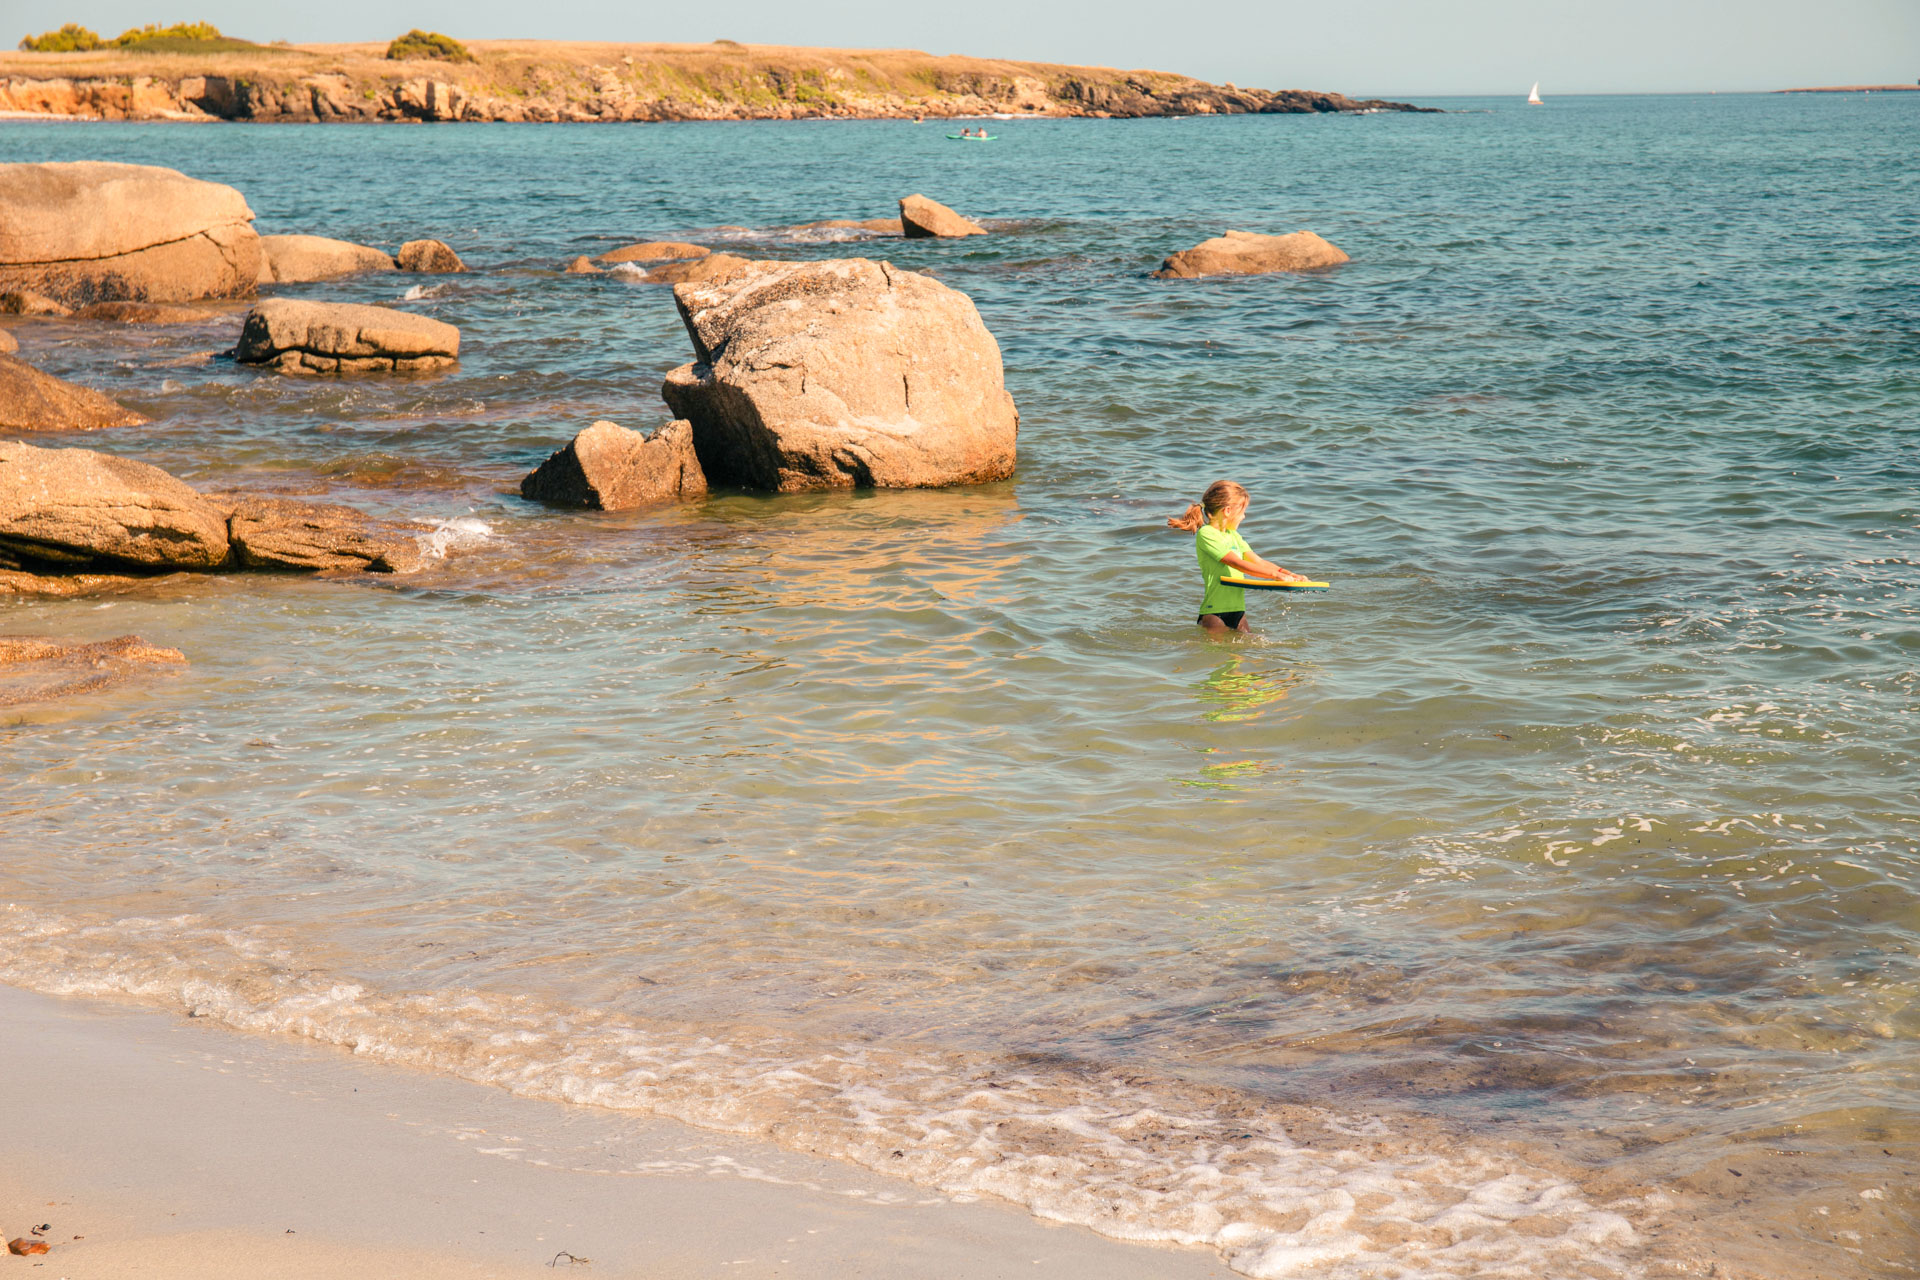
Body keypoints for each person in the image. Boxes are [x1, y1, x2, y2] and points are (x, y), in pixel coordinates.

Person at [1167, 480, 1309, 633]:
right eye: (1242, 511)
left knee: (1253, 646)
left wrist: (1289, 574)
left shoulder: (1234, 536)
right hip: (1215, 613)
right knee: (1219, 650)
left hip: (1238, 612)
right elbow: (1235, 563)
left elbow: (1258, 561)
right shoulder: (1206, 534)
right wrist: (1275, 576)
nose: (1244, 516)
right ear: (1227, 511)